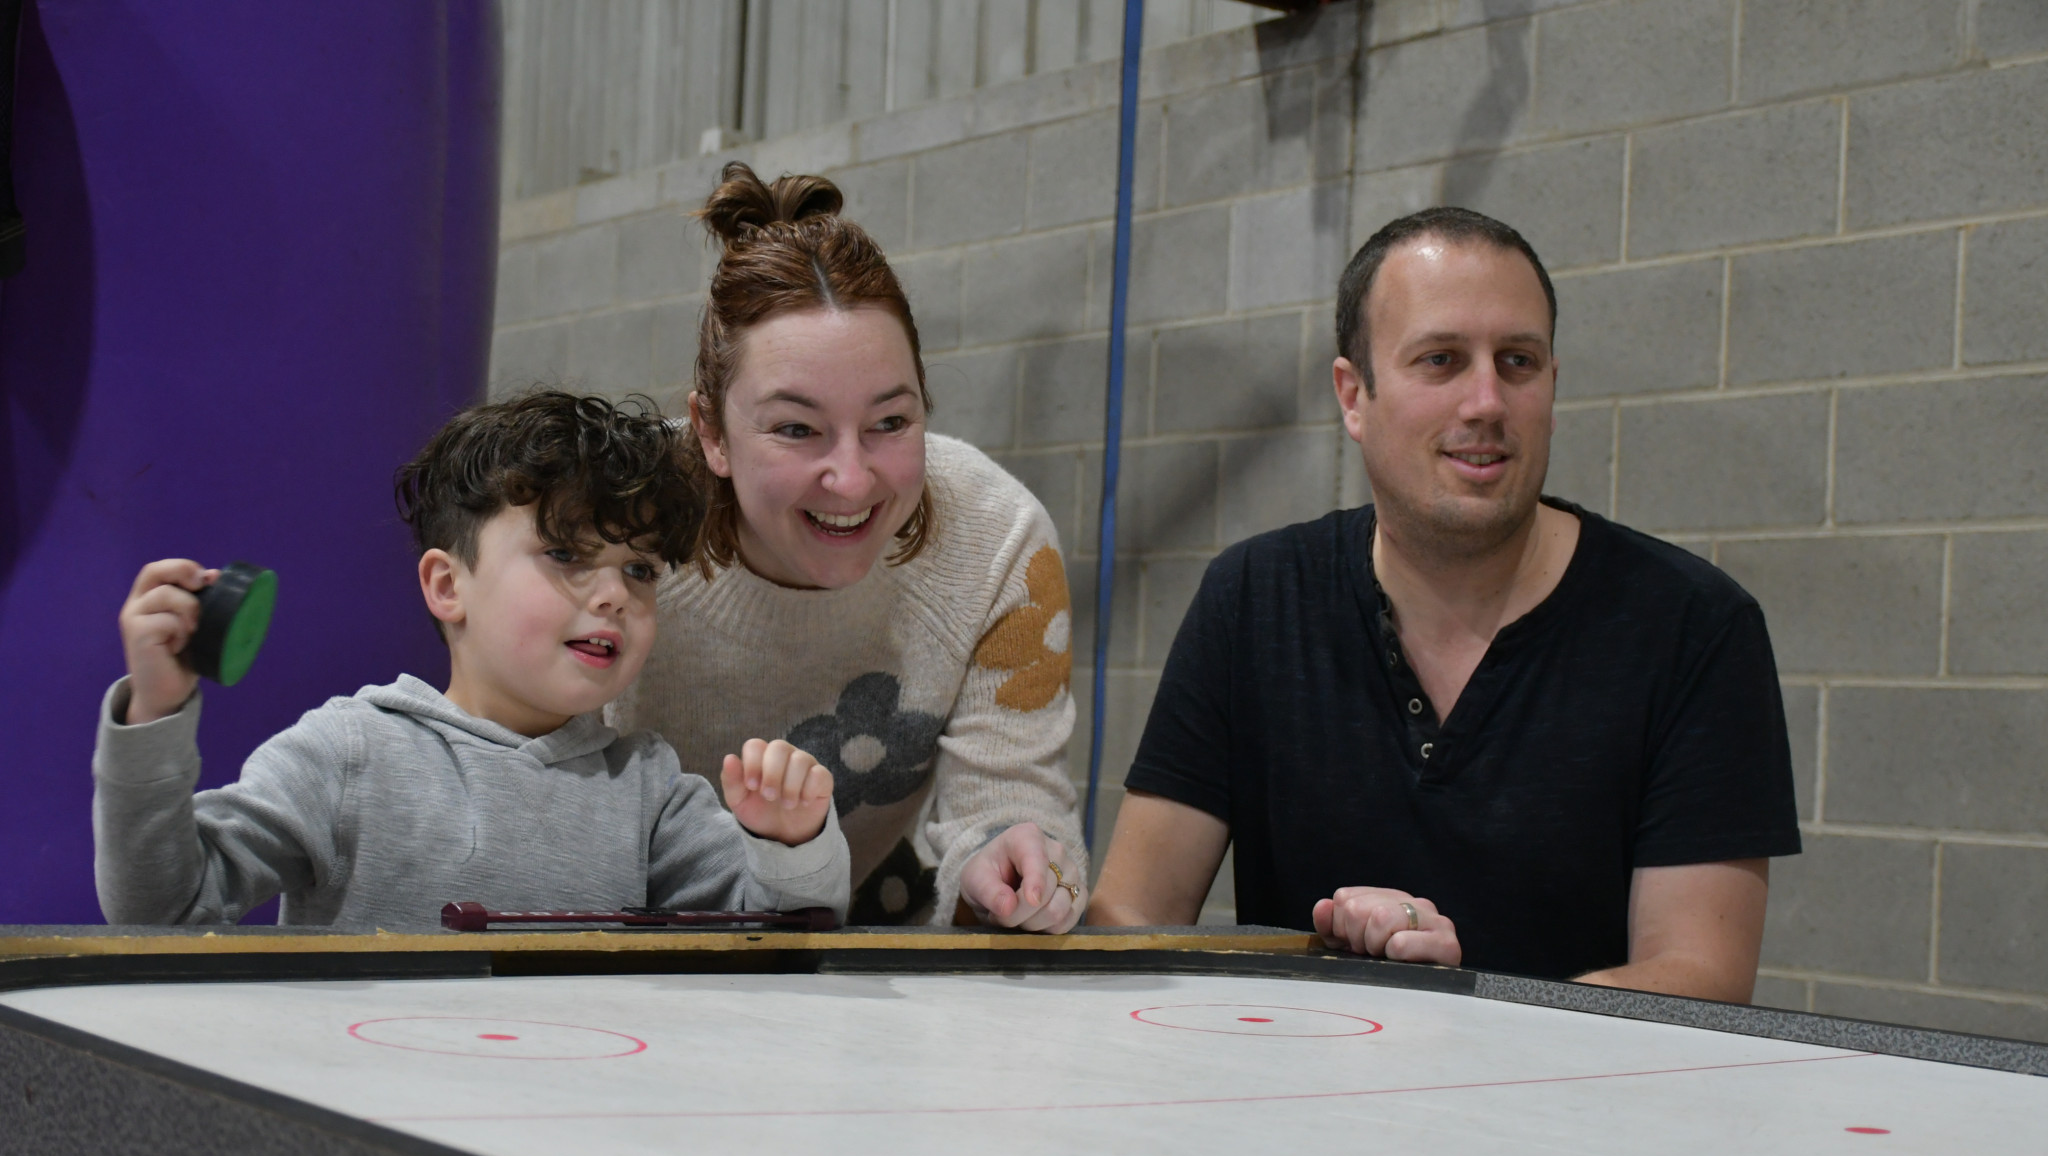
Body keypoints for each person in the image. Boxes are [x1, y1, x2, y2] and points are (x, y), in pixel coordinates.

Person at [1088, 207, 1800, 1002]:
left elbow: (1700, 977)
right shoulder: (1253, 600)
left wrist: (1466, 1012)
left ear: (1553, 388)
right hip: (1294, 1108)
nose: (1487, 400)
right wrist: (1021, 900)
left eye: (1519, 361)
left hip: (1569, 1114)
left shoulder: (1694, 629)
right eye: (1441, 360)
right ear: (1354, 396)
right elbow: (1132, 918)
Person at [93, 391, 850, 927]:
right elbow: (160, 906)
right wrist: (154, 713)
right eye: (565, 553)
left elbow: (784, 937)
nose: (615, 593)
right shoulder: (352, 753)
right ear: (447, 585)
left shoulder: (647, 790)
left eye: (640, 569)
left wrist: (792, 842)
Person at [610, 163, 1085, 932]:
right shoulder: (613, 526)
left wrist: (1014, 864)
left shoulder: (997, 541)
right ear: (710, 432)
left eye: (890, 422)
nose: (850, 477)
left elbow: (1010, 803)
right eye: (796, 428)